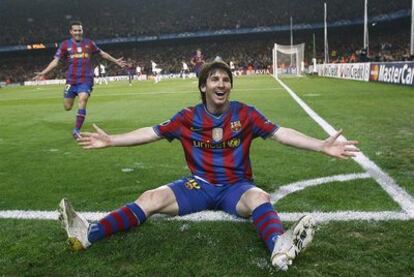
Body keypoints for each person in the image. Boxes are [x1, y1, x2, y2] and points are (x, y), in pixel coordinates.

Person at [59, 61, 359, 271]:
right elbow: (150, 133)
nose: (222, 83)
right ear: (204, 86)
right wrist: (112, 140)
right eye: (215, 79)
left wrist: (321, 145)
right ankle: (89, 234)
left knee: (260, 198)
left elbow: (282, 134)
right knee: (150, 198)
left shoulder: (246, 114)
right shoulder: (187, 118)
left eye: (226, 79)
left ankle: (280, 247)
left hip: (236, 188)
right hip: (199, 185)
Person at [33, 21, 126, 139]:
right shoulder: (65, 45)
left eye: (80, 30)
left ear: (82, 31)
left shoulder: (89, 43)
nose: (78, 32)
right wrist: (43, 72)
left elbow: (103, 54)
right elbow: (55, 61)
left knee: (83, 100)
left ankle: (76, 129)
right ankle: (74, 112)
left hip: (86, 79)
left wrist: (116, 61)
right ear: (71, 32)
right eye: (75, 30)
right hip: (71, 81)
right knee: (67, 107)